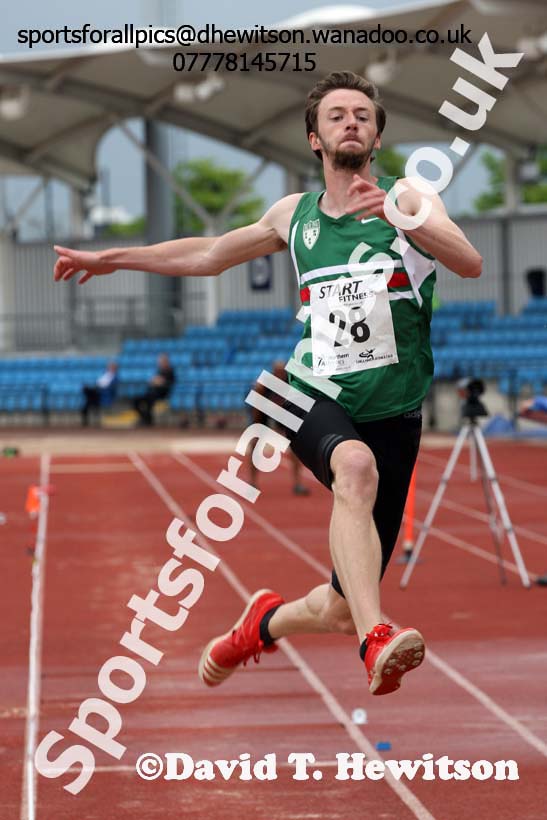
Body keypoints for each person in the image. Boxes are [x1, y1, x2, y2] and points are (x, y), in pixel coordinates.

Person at [53, 71, 482, 696]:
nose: (351, 123)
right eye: (336, 115)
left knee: (338, 606)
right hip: (304, 389)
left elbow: (468, 260)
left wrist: (403, 215)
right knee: (354, 468)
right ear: (315, 138)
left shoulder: (410, 200)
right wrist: (112, 258)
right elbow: (208, 254)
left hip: (395, 411)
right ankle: (378, 637)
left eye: (362, 114)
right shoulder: (294, 215)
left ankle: (262, 623)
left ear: (378, 136)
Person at [247, 360, 310, 496]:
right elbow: (256, 408)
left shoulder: (290, 384)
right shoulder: (263, 386)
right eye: (278, 372)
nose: (280, 375)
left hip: (283, 414)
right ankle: (252, 482)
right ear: (273, 373)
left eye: (283, 372)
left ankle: (298, 483)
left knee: (294, 448)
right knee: (255, 444)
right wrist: (257, 425)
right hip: (265, 413)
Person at [133, 353, 175, 426]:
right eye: (159, 361)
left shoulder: (170, 371)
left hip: (162, 393)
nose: (159, 363)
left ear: (166, 361)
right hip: (152, 393)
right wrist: (157, 381)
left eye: (161, 361)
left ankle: (148, 420)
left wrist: (158, 381)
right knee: (136, 400)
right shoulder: (159, 371)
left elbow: (164, 382)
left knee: (150, 400)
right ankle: (145, 418)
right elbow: (152, 381)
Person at [81, 361, 118, 426]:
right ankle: (88, 398)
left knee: (89, 392)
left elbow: (109, 387)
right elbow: (99, 382)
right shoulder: (105, 374)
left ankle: (88, 397)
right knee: (88, 392)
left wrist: (101, 387)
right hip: (98, 391)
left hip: (102, 393)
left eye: (111, 367)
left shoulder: (114, 377)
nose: (109, 368)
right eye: (109, 367)